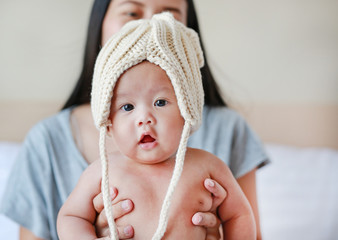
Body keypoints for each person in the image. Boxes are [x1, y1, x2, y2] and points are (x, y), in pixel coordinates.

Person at [0, 0, 268, 239]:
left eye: (161, 102)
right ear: (108, 121)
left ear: (187, 105)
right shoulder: (99, 171)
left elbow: (241, 216)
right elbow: (70, 218)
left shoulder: (210, 166)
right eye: (127, 106)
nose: (145, 119)